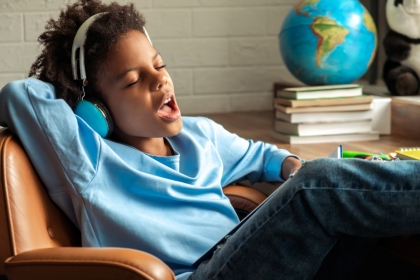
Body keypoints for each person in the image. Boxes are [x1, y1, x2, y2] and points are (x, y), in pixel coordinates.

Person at [1, 0, 420, 279]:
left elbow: (261, 156)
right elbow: (18, 95)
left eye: (159, 64)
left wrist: (291, 166)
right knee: (318, 187)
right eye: (133, 81)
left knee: (380, 238)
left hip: (245, 254)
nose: (160, 78)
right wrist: (81, 105)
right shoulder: (90, 160)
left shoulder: (200, 136)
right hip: (203, 274)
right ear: (99, 108)